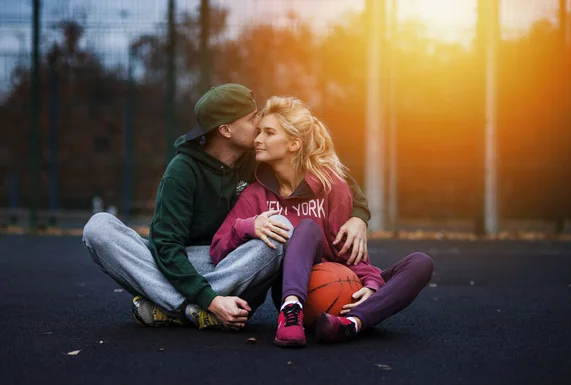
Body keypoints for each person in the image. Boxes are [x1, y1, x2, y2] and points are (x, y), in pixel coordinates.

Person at [82, 84, 372, 331]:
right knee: (99, 228)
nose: (259, 125)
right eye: (252, 119)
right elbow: (166, 247)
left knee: (278, 235)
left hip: (236, 264)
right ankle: (192, 311)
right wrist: (210, 299)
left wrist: (359, 215)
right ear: (226, 130)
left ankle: (173, 306)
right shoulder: (182, 171)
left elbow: (326, 172)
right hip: (187, 262)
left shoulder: (257, 157)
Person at [210, 96, 434, 346]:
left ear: (294, 144)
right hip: (297, 293)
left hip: (341, 291)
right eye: (259, 131)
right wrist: (248, 226)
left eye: (269, 133)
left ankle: (352, 324)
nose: (258, 139)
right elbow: (218, 250)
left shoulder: (332, 186)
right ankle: (290, 312)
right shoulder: (255, 194)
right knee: (305, 228)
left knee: (421, 263)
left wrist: (372, 283)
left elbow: (348, 253)